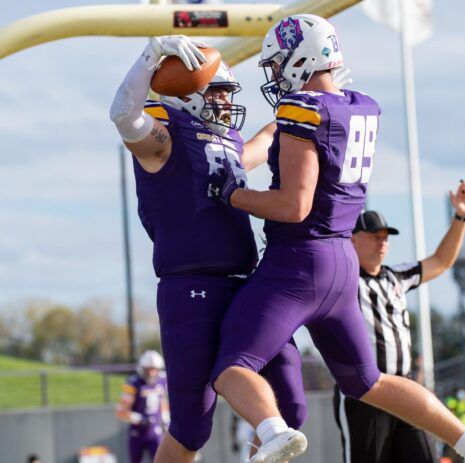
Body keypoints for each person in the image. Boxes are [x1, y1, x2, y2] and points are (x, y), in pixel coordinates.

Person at [207, 14, 465, 463]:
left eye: (277, 64)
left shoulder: (301, 110)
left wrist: (232, 195)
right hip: (341, 267)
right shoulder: (358, 105)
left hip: (297, 263)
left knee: (233, 367)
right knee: (369, 383)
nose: (273, 75)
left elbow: (294, 205)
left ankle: (273, 433)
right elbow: (289, 142)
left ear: (301, 57)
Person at [109, 35, 307, 463]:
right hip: (191, 288)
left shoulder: (229, 139)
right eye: (216, 90)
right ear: (188, 89)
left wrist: (309, 98)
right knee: (191, 428)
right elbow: (123, 114)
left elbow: (266, 140)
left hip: (245, 285)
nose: (224, 100)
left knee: (291, 404)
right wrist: (151, 56)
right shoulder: (166, 137)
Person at [335, 191, 465, 463]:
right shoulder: (343, 281)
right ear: (352, 240)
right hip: (366, 393)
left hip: (405, 391)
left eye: (386, 237)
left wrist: (461, 216)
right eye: (375, 236)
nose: (382, 243)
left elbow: (441, 261)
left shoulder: (396, 276)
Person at [116, 351, 169, 463]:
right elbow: (121, 411)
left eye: (154, 369)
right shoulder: (133, 383)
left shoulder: (162, 381)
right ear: (142, 369)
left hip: (155, 432)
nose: (151, 373)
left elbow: (163, 403)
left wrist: (166, 420)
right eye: (148, 369)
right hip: (137, 433)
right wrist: (139, 419)